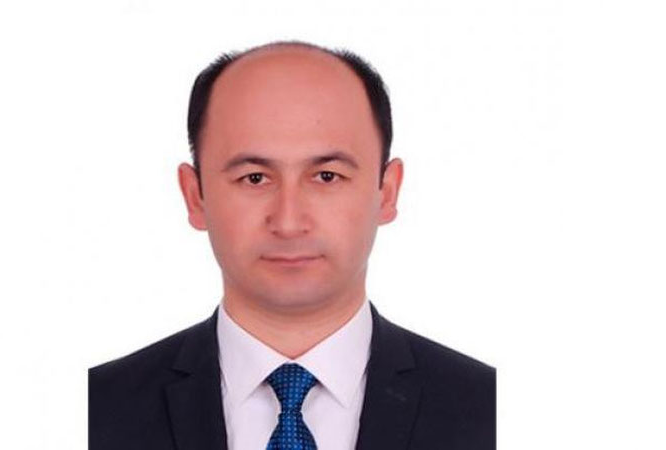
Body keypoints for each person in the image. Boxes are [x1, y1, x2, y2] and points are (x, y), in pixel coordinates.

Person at [89, 40, 495, 450]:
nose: (288, 222)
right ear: (195, 196)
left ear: (387, 192)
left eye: (326, 176)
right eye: (254, 178)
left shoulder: (492, 412)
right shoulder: (93, 412)